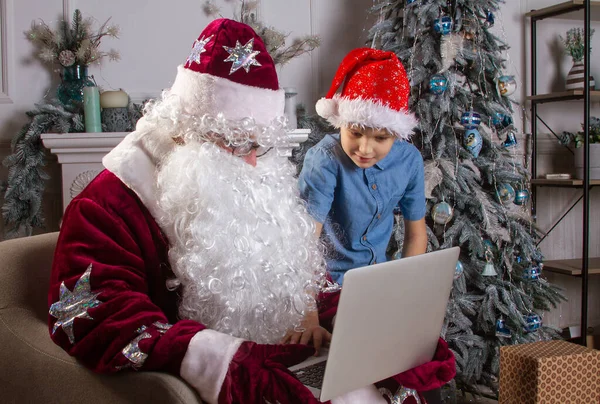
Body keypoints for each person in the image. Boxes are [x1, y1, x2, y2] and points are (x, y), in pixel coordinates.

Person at [48, 19, 453, 404]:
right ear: (187, 132)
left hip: (287, 351)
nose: (255, 163)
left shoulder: (248, 178)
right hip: (229, 362)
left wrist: (354, 321)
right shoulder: (110, 203)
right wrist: (232, 360)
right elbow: (97, 313)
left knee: (395, 366)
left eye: (261, 146)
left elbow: (297, 273)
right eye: (241, 145)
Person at [298, 47, 428, 287]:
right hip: (326, 283)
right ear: (341, 124)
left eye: (380, 138)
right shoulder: (324, 160)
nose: (364, 149)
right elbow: (304, 243)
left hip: (377, 281)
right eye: (355, 133)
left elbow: (416, 234)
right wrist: (309, 316)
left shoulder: (409, 161)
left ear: (397, 135)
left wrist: (406, 290)